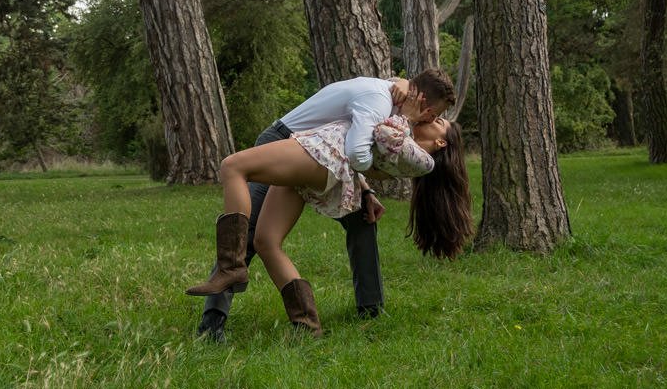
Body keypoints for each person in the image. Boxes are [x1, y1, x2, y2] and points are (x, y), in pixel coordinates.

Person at [189, 69, 462, 339]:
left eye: (437, 120)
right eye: (434, 114)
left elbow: (360, 146)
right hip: (289, 138)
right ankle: (212, 322)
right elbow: (363, 145)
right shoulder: (388, 102)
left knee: (362, 221)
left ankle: (367, 311)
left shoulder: (406, 128)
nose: (431, 118)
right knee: (251, 235)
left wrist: (363, 186)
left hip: (323, 155)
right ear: (421, 100)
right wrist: (400, 85)